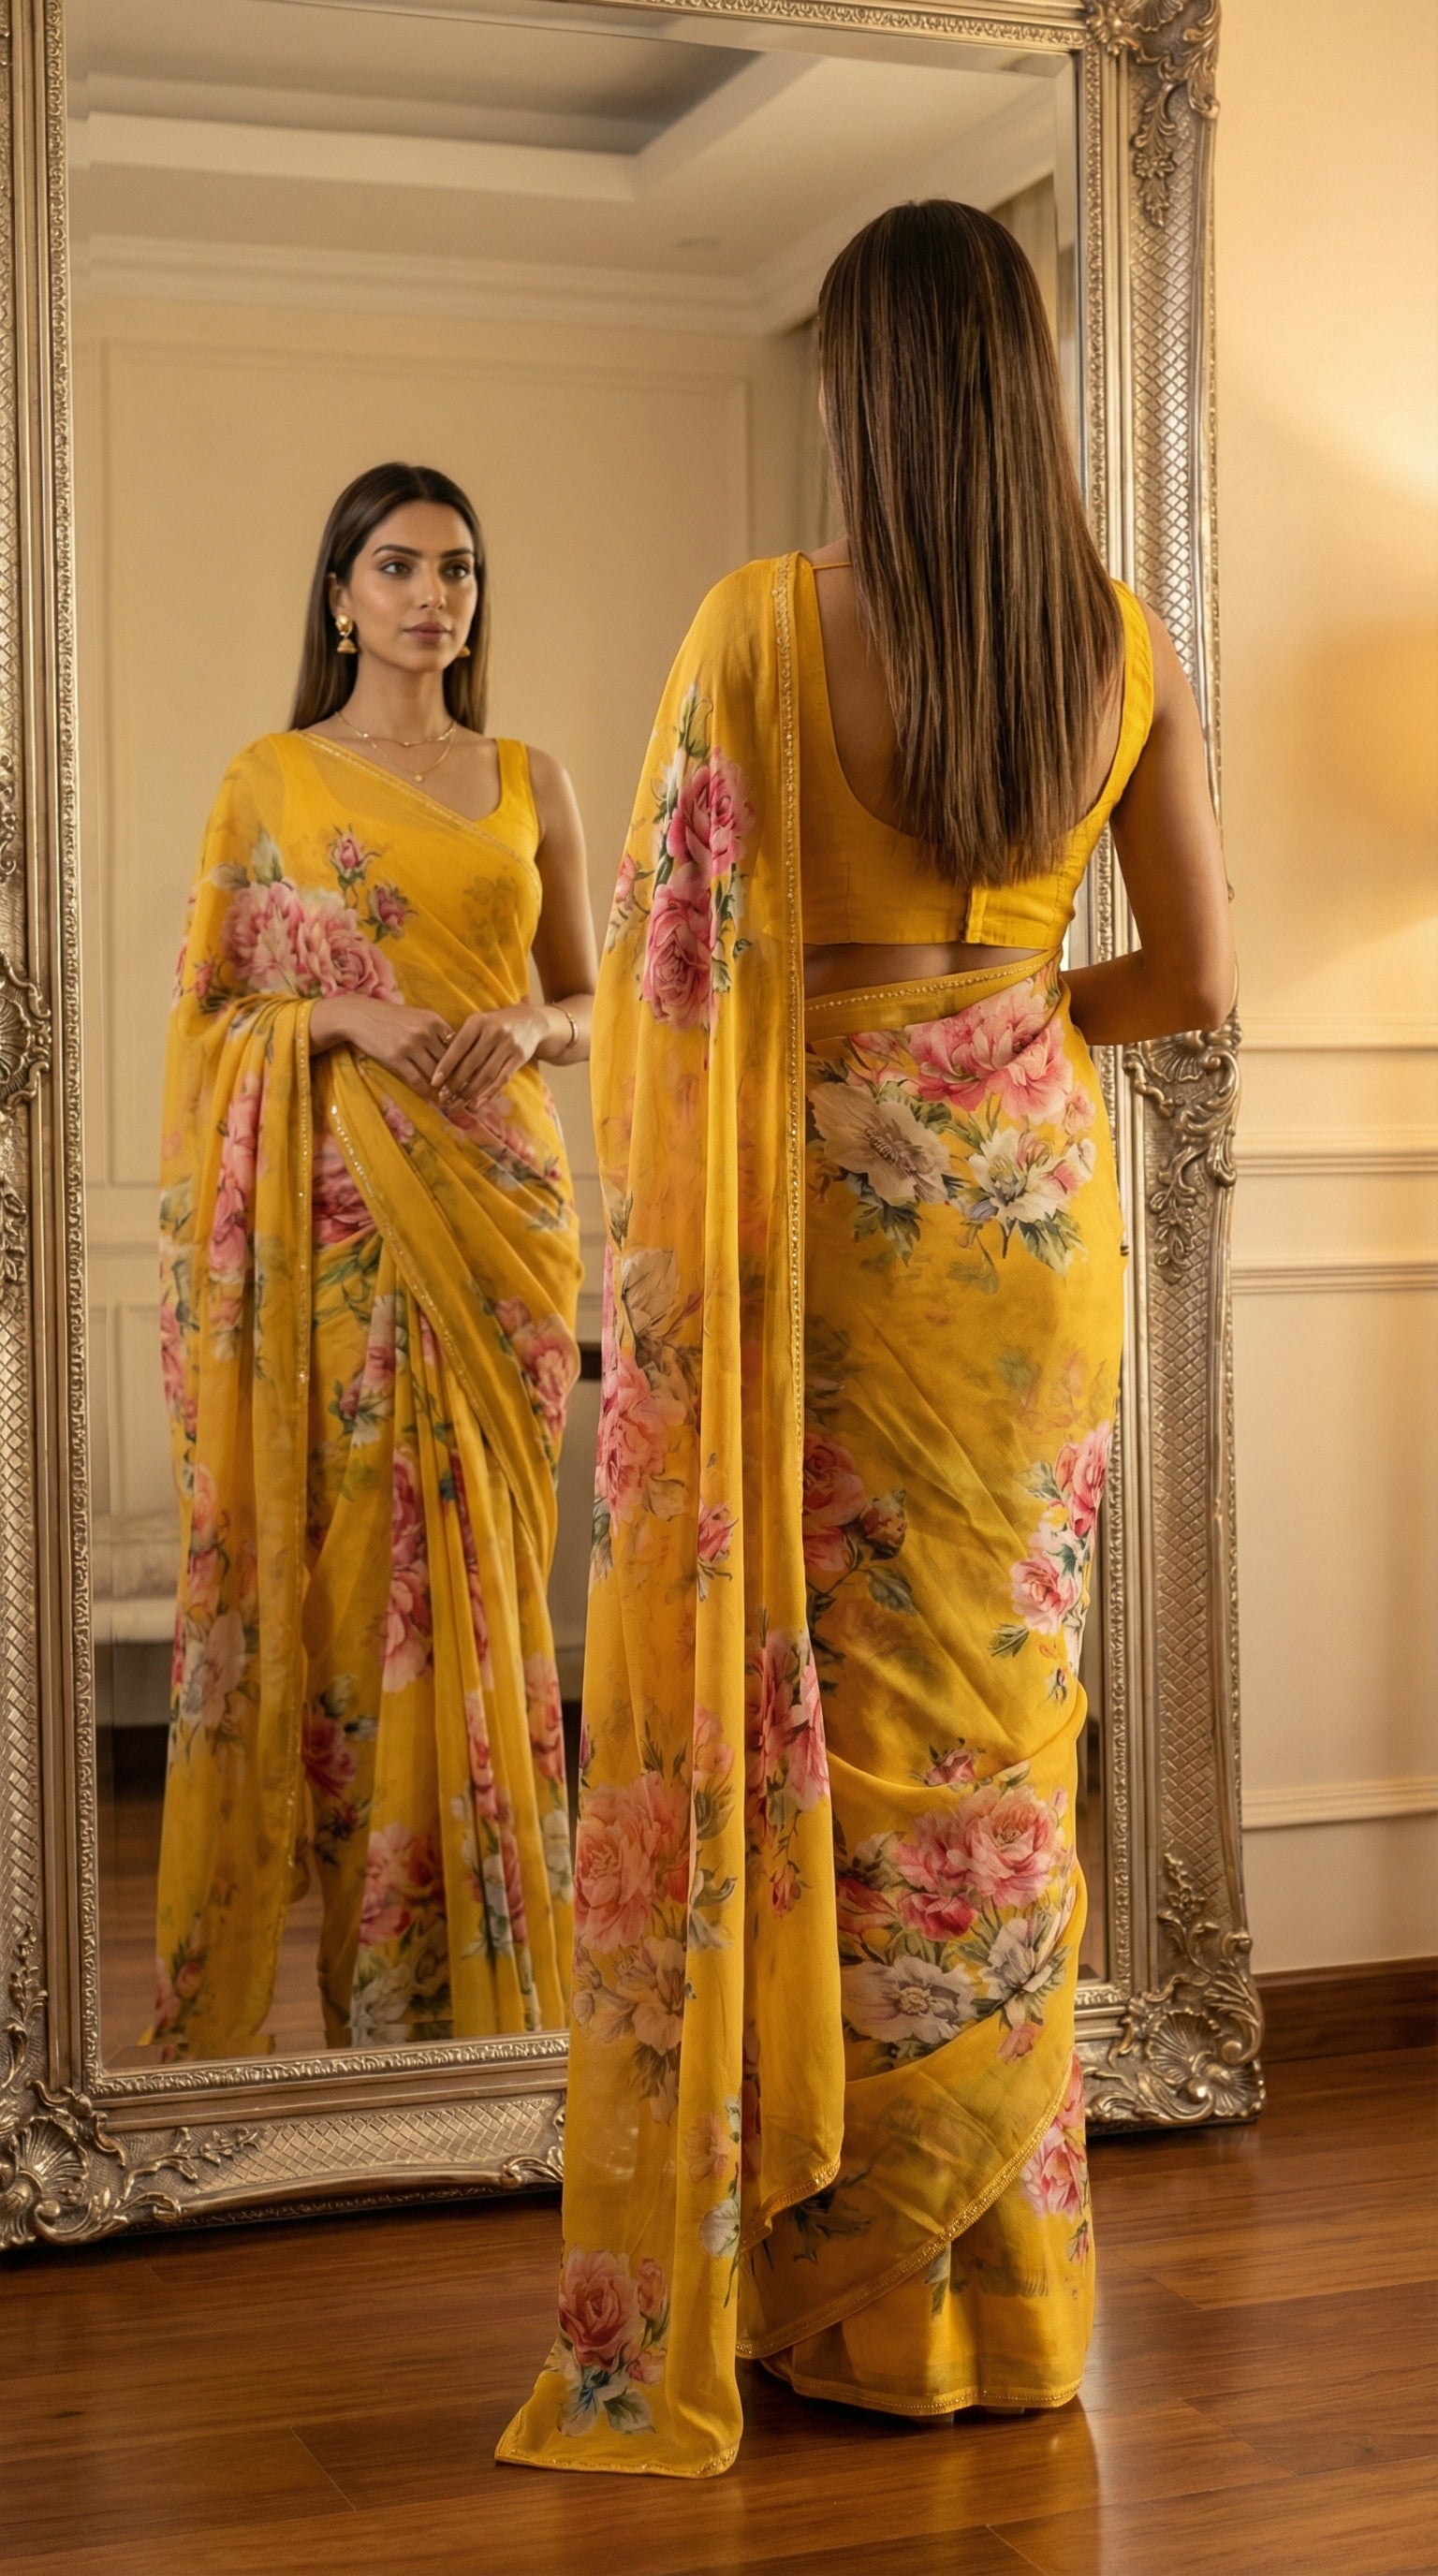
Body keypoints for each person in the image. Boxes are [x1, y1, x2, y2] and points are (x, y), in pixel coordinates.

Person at [499, 200, 1233, 2477]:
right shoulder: (1120, 639)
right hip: (1030, 1224)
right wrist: (1002, 1028)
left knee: (824, 1737)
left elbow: (664, 979)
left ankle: (843, 2292)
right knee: (998, 1740)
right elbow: (1192, 979)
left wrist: (857, 1068)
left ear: (867, 389)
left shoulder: (759, 625)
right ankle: (1001, 2311)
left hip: (822, 1221)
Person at [151, 461, 597, 2057]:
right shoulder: (270, 783)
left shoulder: (531, 777)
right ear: (340, 594)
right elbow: (211, 1021)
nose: (432, 595)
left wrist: (533, 1027)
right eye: (397, 567)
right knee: (360, 1609)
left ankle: (496, 2023)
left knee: (492, 1585)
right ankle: (380, 2013)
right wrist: (343, 1013)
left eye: (456, 569)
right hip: (340, 1222)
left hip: (504, 1217)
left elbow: (594, 1000)